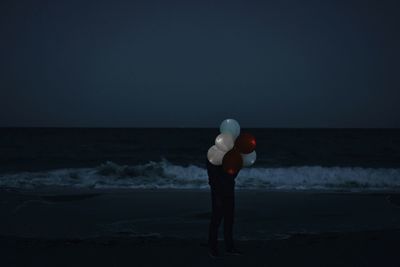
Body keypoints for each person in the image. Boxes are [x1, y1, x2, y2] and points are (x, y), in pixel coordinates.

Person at [206, 158, 243, 258]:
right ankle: (212, 248)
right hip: (218, 191)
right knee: (216, 220)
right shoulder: (213, 154)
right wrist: (217, 194)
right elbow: (212, 178)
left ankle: (229, 247)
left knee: (229, 220)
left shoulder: (229, 154)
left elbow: (232, 175)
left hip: (229, 189)